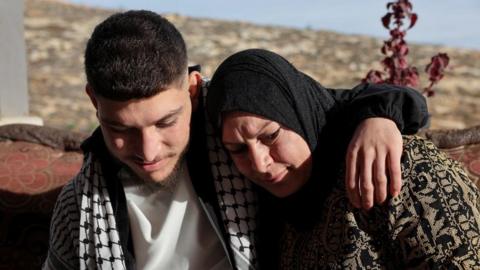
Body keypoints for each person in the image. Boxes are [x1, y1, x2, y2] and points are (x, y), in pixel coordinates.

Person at [43, 11, 429, 270]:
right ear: (94, 101)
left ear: (193, 89)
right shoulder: (81, 204)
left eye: (166, 122)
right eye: (121, 130)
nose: (148, 151)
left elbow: (324, 107)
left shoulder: (239, 131)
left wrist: (380, 117)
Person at [206, 48, 480, 269]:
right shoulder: (266, 209)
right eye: (238, 149)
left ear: (298, 113)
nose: (260, 163)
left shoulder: (400, 167)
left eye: (271, 136)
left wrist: (380, 114)